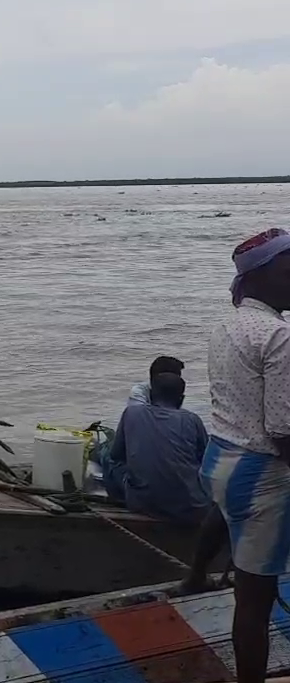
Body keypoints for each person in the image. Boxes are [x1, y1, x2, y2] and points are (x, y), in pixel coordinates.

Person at [181, 228, 290, 683]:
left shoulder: (227, 324)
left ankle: (193, 577)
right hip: (261, 474)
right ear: (265, 276)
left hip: (220, 460)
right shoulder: (278, 335)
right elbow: (283, 431)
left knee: (224, 513)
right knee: (254, 600)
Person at [96, 373, 210, 524]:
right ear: (181, 399)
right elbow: (206, 461)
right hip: (190, 505)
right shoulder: (192, 419)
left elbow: (116, 455)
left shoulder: (132, 413)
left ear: (149, 395)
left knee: (107, 457)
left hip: (143, 503)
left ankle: (117, 498)